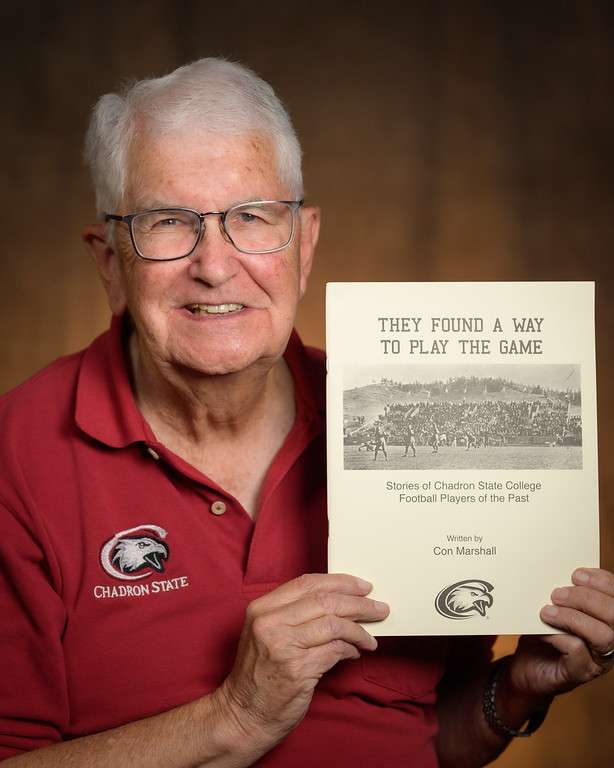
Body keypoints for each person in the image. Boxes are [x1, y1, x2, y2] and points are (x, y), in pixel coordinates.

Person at [0, 57, 613, 768]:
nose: (215, 264)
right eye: (169, 222)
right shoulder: (18, 455)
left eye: (252, 217)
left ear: (305, 243)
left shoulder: (398, 424)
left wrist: (512, 692)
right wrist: (233, 716)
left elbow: (423, 739)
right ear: (109, 261)